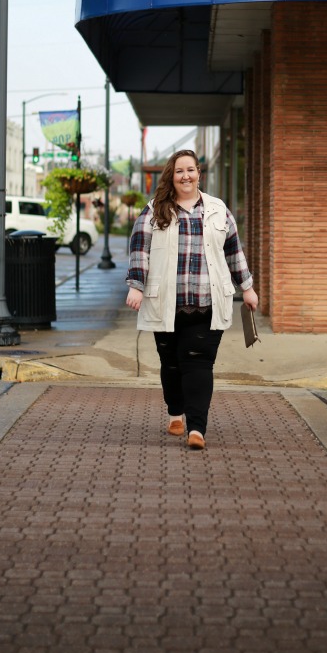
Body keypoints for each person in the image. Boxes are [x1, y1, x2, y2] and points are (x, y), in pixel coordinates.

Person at [126, 149, 258, 450]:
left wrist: (247, 288)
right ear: (171, 177)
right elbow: (139, 250)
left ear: (199, 173)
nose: (186, 176)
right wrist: (136, 285)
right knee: (171, 365)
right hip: (166, 304)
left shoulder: (217, 210)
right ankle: (175, 411)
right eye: (179, 171)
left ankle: (197, 428)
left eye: (190, 170)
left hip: (207, 303)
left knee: (198, 365)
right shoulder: (154, 210)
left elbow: (233, 252)